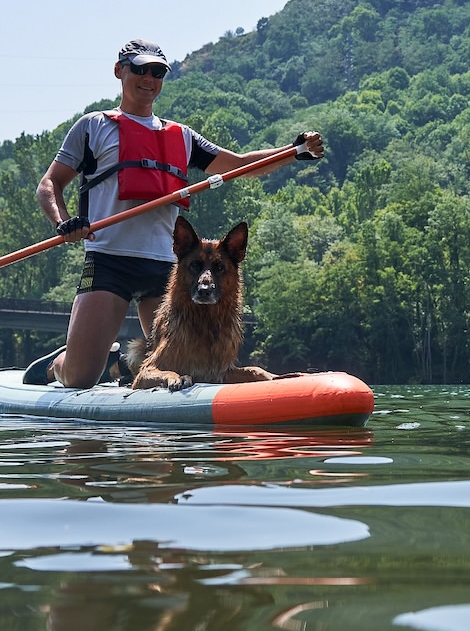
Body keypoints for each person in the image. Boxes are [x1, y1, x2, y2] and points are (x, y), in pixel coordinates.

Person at [23, 38, 324, 387]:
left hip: (167, 272)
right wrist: (63, 223)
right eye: (140, 69)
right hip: (109, 261)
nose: (149, 78)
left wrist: (294, 151)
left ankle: (124, 361)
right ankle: (59, 363)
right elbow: (49, 184)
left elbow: (240, 166)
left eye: (158, 71)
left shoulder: (182, 137)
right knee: (79, 379)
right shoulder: (93, 126)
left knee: (189, 368)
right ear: (120, 71)